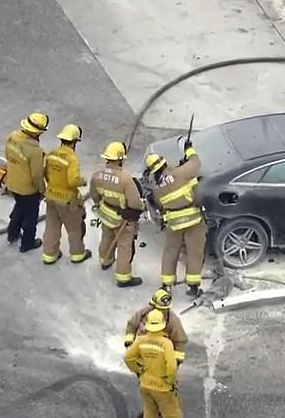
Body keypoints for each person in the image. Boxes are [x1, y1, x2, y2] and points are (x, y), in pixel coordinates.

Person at [123, 309, 195, 418]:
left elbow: (128, 357)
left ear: (147, 325)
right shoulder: (166, 344)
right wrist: (170, 381)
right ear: (162, 325)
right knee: (172, 417)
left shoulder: (140, 340)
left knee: (149, 415)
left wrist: (138, 369)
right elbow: (171, 367)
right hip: (162, 388)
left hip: (145, 385)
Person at [145, 138, 206, 298]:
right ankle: (193, 287)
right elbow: (195, 163)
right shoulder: (180, 173)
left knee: (170, 252)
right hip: (192, 219)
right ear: (164, 164)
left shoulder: (156, 187)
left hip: (173, 222)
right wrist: (189, 150)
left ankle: (167, 285)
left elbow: (166, 191)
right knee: (195, 252)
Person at [124, 287, 189, 418]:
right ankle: (150, 410)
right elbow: (131, 325)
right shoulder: (143, 314)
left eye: (164, 309)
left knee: (168, 388)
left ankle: (172, 412)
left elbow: (180, 341)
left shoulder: (173, 321)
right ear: (152, 304)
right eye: (159, 308)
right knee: (146, 386)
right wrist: (129, 343)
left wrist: (175, 363)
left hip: (162, 361)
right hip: (143, 359)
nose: (162, 311)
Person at [89, 142, 144, 287]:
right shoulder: (126, 179)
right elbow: (135, 204)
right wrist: (139, 209)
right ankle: (123, 277)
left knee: (106, 237)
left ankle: (105, 261)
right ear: (120, 159)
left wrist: (101, 204)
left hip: (105, 213)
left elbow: (94, 195)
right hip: (122, 219)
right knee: (125, 246)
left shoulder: (96, 175)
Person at [42, 124, 92, 265]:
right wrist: (83, 181)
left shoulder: (51, 154)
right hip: (67, 201)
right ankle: (77, 255)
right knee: (74, 228)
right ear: (75, 141)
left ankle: (49, 255)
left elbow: (45, 174)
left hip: (51, 197)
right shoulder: (71, 158)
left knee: (52, 226)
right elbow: (73, 181)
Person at [4, 112, 48, 252]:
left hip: (12, 183)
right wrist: (42, 190)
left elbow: (7, 156)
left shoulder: (12, 137)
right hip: (28, 190)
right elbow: (36, 175)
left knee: (19, 208)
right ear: (38, 132)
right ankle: (27, 243)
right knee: (30, 217)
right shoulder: (34, 150)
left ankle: (12, 234)